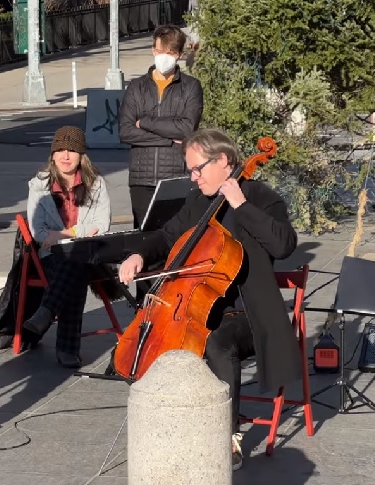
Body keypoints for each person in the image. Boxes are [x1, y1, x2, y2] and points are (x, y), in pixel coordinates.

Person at [117, 128, 302, 471]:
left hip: (250, 314)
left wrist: (241, 206)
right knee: (168, 341)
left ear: (223, 162)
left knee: (216, 342)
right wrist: (140, 255)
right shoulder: (198, 202)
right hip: (203, 307)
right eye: (190, 169)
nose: (193, 176)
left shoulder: (261, 197)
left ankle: (224, 437)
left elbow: (284, 245)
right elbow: (167, 235)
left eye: (198, 168)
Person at [118, 24, 204, 302]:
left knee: (175, 244)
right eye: (158, 50)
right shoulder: (137, 86)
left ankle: (172, 304)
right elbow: (125, 131)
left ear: (178, 54)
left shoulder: (190, 87)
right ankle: (144, 308)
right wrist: (168, 139)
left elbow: (187, 128)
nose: (162, 56)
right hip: (141, 179)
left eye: (168, 52)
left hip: (174, 177)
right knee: (144, 245)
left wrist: (147, 122)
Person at [21, 126, 111, 368]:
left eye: (72, 150)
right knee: (73, 266)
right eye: (60, 149)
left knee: (77, 259)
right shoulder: (40, 185)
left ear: (82, 155)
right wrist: (74, 235)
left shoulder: (96, 184)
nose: (65, 156)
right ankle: (67, 348)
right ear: (52, 154)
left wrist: (65, 234)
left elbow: (101, 226)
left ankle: (46, 312)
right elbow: (38, 232)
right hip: (52, 255)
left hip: (89, 253)